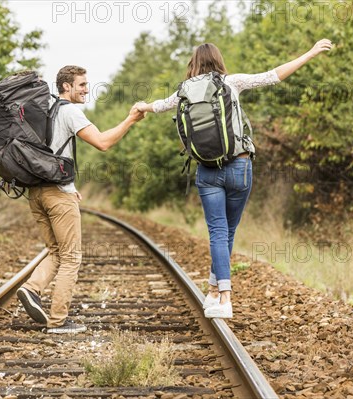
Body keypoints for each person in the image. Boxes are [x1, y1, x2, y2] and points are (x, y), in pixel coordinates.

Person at [135, 39, 333, 318]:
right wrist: (310, 53)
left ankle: (217, 294)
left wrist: (141, 107)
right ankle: (221, 295)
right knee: (228, 231)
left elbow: (157, 107)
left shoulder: (183, 91)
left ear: (193, 63)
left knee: (217, 231)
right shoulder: (231, 83)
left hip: (207, 170)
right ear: (218, 60)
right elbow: (273, 76)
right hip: (239, 166)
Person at [17, 65, 145, 333]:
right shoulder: (69, 111)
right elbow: (102, 142)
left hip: (37, 192)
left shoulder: (45, 112)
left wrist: (70, 185)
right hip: (57, 195)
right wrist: (130, 120)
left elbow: (49, 153)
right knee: (71, 257)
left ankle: (31, 288)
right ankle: (58, 321)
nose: (87, 89)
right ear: (66, 87)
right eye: (82, 85)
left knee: (56, 251)